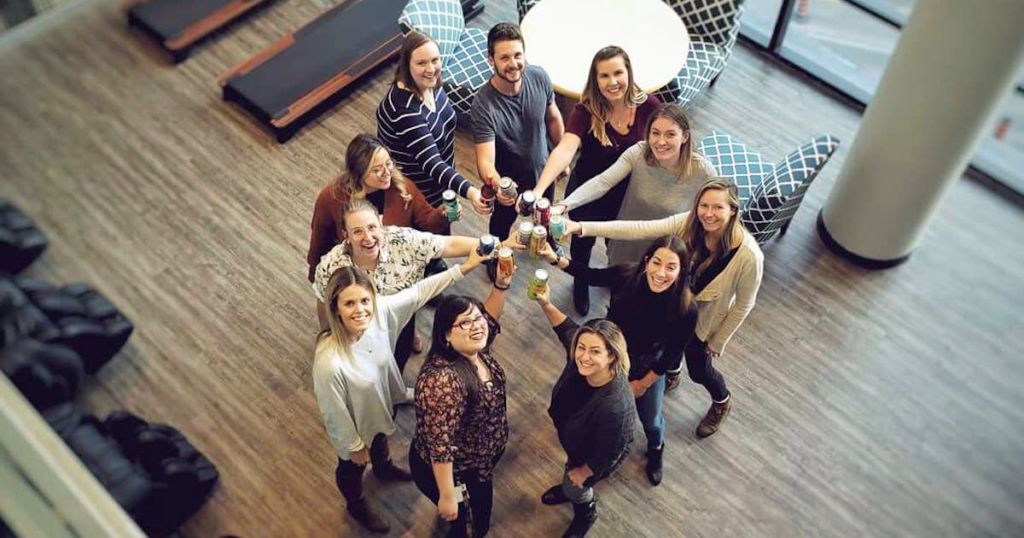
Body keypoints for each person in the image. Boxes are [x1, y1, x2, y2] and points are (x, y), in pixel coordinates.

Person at [562, 178, 765, 437]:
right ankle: (670, 372)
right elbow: (640, 228)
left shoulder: (749, 257)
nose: (708, 214)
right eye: (704, 206)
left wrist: (718, 341)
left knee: (699, 369)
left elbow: (745, 304)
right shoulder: (691, 223)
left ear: (733, 210)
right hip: (673, 306)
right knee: (669, 350)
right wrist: (581, 227)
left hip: (703, 319)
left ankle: (722, 401)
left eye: (718, 208)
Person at [313, 246, 489, 533]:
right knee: (351, 470)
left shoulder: (378, 312)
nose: (360, 310)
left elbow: (422, 290)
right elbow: (332, 411)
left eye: (364, 301)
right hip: (355, 427)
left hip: (382, 407)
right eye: (349, 304)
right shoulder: (329, 362)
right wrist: (354, 446)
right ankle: (355, 504)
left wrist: (465, 267)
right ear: (335, 308)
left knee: (382, 434)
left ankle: (382, 468)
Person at [537, 236, 696, 486]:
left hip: (647, 367)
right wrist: (556, 260)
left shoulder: (686, 309)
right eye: (656, 262)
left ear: (682, 271)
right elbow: (591, 275)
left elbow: (672, 355)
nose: (661, 273)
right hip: (609, 357)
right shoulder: (626, 275)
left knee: (651, 419)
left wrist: (642, 384)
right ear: (646, 261)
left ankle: (656, 448)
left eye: (671, 267)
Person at [312, 200, 517, 374]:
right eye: (357, 231)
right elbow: (323, 299)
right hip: (357, 330)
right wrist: (327, 336)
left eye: (372, 227)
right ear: (345, 234)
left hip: (404, 320)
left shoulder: (402, 241)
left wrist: (503, 245)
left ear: (381, 223)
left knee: (397, 362)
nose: (368, 237)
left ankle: (396, 388)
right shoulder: (331, 266)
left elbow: (449, 245)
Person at [529, 45, 661, 315]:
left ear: (629, 73)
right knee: (582, 243)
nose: (612, 82)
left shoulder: (649, 107)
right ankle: (581, 280)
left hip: (627, 193)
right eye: (604, 76)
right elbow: (566, 148)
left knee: (618, 243)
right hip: (587, 191)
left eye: (618, 73)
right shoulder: (586, 110)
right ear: (595, 79)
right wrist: (540, 189)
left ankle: (616, 277)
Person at [409, 264, 515, 538]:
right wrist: (447, 496)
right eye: (464, 323)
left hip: (479, 458)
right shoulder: (442, 381)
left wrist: (501, 285)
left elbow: (489, 321)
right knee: (471, 523)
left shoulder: (471, 349)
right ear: (446, 334)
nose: (477, 326)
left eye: (476, 318)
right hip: (458, 471)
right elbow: (440, 447)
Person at [553, 103, 717, 268]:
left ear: (685, 137)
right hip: (626, 240)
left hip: (666, 252)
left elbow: (716, 212)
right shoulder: (638, 153)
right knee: (618, 282)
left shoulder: (704, 172)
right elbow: (603, 182)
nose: (661, 142)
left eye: (670, 134)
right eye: (655, 133)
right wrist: (563, 205)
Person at [530, 286, 636, 538]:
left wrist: (584, 472)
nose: (584, 357)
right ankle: (571, 488)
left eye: (595, 351)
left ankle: (585, 509)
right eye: (581, 347)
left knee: (576, 484)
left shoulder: (615, 407)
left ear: (612, 356)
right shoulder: (580, 358)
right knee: (571, 475)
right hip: (576, 436)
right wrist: (545, 303)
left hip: (590, 456)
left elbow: (610, 452)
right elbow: (567, 329)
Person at [307, 133, 449, 284]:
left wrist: (443, 214)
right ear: (359, 173)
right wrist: (315, 274)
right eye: (377, 170)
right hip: (358, 275)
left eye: (388, 164)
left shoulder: (402, 187)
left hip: (400, 270)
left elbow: (427, 221)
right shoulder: (332, 197)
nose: (387, 173)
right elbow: (320, 239)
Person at [377, 30, 490, 214]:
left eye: (435, 60)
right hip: (421, 196)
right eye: (421, 63)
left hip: (442, 183)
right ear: (407, 65)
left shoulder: (432, 84)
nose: (431, 69)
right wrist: (471, 192)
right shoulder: (404, 110)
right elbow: (432, 164)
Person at [471, 22, 565, 241]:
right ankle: (494, 257)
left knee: (545, 214)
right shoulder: (483, 104)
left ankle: (547, 240)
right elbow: (484, 162)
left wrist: (561, 156)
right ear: (491, 60)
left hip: (544, 172)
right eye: (504, 58)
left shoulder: (539, 76)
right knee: (500, 228)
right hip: (509, 185)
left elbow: (553, 118)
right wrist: (497, 183)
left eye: (517, 55)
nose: (513, 64)